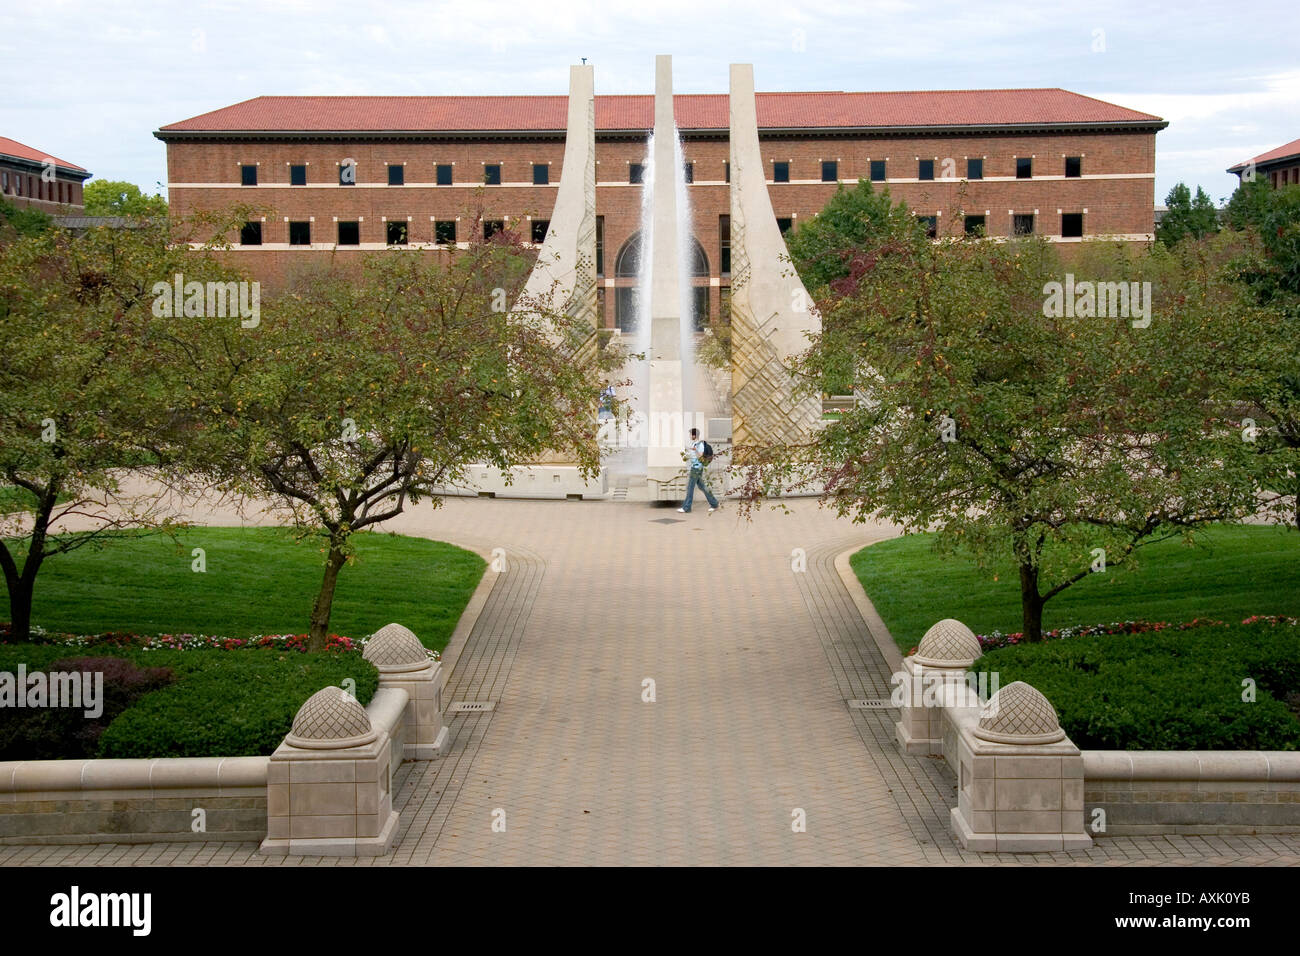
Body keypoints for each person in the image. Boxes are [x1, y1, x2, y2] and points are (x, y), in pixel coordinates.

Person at [677, 427, 719, 515]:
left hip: (697, 468)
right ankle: (714, 504)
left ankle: (687, 507)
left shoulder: (699, 445)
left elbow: (701, 456)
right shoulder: (694, 444)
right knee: (702, 487)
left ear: (694, 435)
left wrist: (695, 451)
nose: (689, 436)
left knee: (690, 488)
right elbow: (693, 456)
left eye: (690, 434)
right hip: (694, 467)